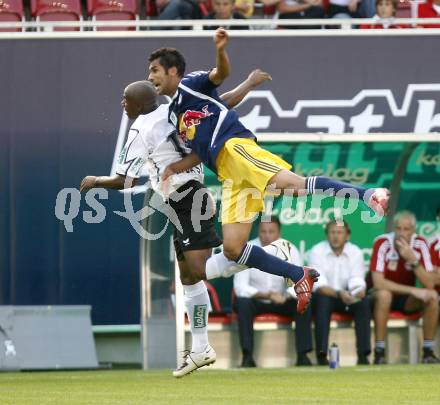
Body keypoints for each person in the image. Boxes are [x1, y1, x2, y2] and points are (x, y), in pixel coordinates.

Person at [148, 28, 389, 315]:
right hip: (227, 173)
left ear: (173, 71)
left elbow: (219, 75)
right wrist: (173, 167)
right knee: (233, 249)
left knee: (296, 185)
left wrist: (221, 49)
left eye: (155, 71)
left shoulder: (189, 84)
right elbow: (216, 117)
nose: (150, 78)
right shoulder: (176, 111)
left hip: (236, 149)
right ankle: (297, 272)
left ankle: (370, 194)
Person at [79, 71, 280, 378]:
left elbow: (125, 181)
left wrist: (96, 182)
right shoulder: (174, 112)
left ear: (141, 103)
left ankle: (264, 259)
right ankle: (201, 348)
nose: (122, 103)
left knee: (199, 270)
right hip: (181, 200)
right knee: (188, 276)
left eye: (126, 98)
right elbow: (220, 103)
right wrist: (249, 85)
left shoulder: (141, 128)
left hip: (190, 198)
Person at [234, 217, 313, 367]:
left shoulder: (289, 249)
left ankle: (303, 355)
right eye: (263, 231)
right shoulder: (247, 250)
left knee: (304, 300)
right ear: (258, 232)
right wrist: (267, 295)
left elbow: (298, 281)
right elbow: (240, 288)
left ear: (279, 232)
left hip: (282, 300)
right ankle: (247, 356)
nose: (267, 235)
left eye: (271, 231)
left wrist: (285, 296)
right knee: (242, 303)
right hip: (257, 300)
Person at [370, 210, 440, 364]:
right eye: (398, 228)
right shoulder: (382, 243)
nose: (401, 233)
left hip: (406, 300)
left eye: (406, 229)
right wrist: (414, 290)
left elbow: (429, 283)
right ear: (393, 229)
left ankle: (428, 352)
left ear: (413, 230)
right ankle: (379, 352)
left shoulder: (420, 243)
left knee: (433, 296)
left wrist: (413, 260)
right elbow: (378, 283)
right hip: (379, 296)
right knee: (384, 295)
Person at [308, 219, 371, 365]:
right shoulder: (317, 251)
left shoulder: (355, 252)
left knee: (364, 302)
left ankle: (363, 355)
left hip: (348, 296)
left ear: (347, 236)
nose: (336, 236)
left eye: (339, 232)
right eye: (332, 232)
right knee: (322, 301)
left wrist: (358, 292)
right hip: (327, 295)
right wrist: (339, 294)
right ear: (327, 235)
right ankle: (322, 355)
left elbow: (357, 279)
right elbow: (319, 284)